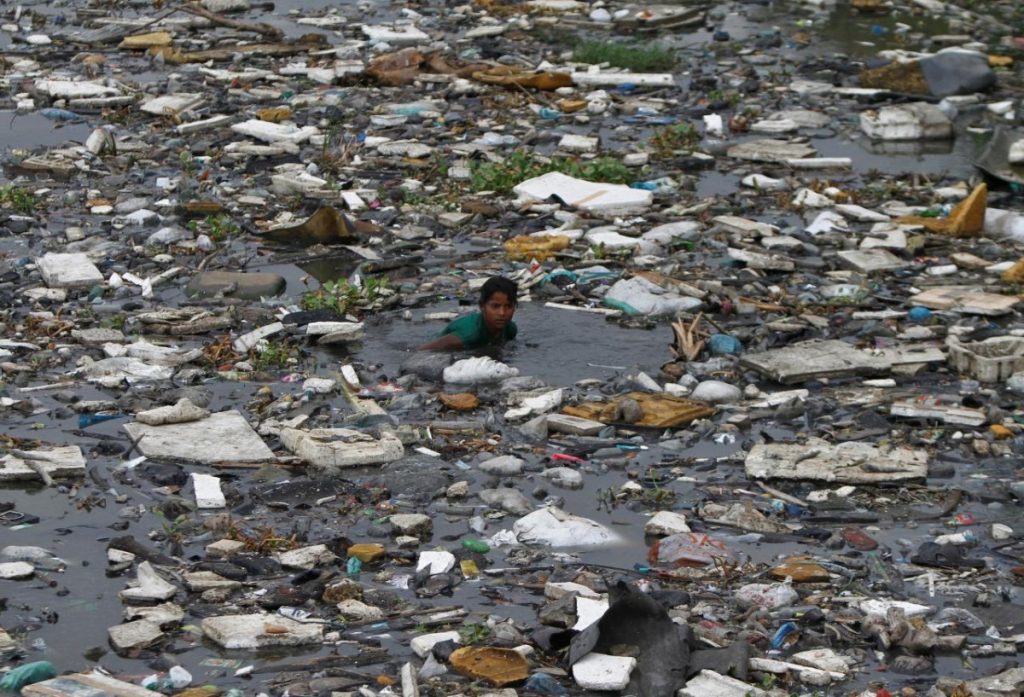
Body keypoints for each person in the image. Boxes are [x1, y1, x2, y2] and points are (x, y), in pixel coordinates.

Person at [418, 276, 518, 351]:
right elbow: (423, 351)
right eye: (495, 306)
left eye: (508, 306)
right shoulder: (470, 334)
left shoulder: (510, 330)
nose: (502, 313)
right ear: (482, 306)